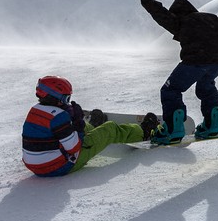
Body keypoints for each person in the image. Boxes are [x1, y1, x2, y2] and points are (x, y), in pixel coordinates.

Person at [141, 0, 218, 143]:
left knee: (171, 89)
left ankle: (173, 129)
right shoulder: (210, 19)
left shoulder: (182, 21)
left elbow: (162, 16)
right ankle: (212, 125)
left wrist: (148, 2)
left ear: (178, 13)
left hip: (196, 60)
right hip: (217, 61)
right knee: (206, 87)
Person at [22, 75, 159, 177]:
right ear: (56, 97)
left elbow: (52, 131)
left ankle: (92, 127)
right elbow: (74, 147)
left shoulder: (36, 109)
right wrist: (77, 124)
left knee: (76, 130)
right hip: (59, 166)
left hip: (35, 166)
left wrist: (77, 124)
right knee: (110, 128)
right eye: (66, 98)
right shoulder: (59, 116)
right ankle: (144, 132)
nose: (67, 102)